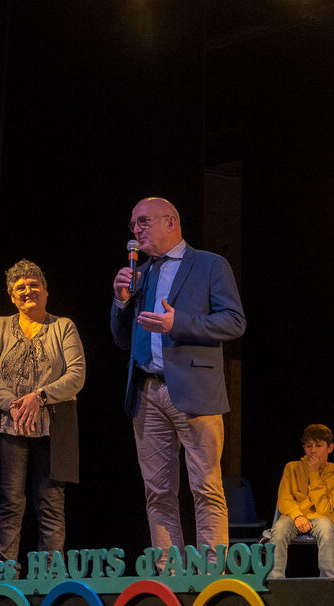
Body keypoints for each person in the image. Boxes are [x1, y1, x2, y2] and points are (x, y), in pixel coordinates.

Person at [110, 197, 246, 568]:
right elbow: (123, 339)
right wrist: (121, 302)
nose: (136, 232)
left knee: (205, 487)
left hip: (195, 392)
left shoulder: (209, 265)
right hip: (146, 391)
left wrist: (179, 323)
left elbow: (234, 322)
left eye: (143, 223)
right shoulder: (142, 272)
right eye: (133, 225)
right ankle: (169, 574)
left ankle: (210, 573)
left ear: (171, 222)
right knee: (158, 493)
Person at [0, 259, 85, 562]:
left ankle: (49, 578)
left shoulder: (63, 327)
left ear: (46, 291)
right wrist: (15, 405)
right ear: (12, 296)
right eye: (20, 287)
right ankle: (4, 576)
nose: (28, 290)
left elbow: (76, 374)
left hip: (54, 423)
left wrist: (40, 396)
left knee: (50, 502)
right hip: (7, 424)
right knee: (9, 502)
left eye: (34, 285)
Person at [269, 424, 334, 579]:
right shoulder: (292, 468)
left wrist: (313, 474)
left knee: (326, 528)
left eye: (318, 446)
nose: (313, 451)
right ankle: (275, 579)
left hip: (321, 517)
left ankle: (328, 580)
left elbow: (324, 509)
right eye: (309, 446)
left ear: (330, 448)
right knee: (279, 528)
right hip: (294, 517)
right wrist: (298, 516)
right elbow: (284, 499)